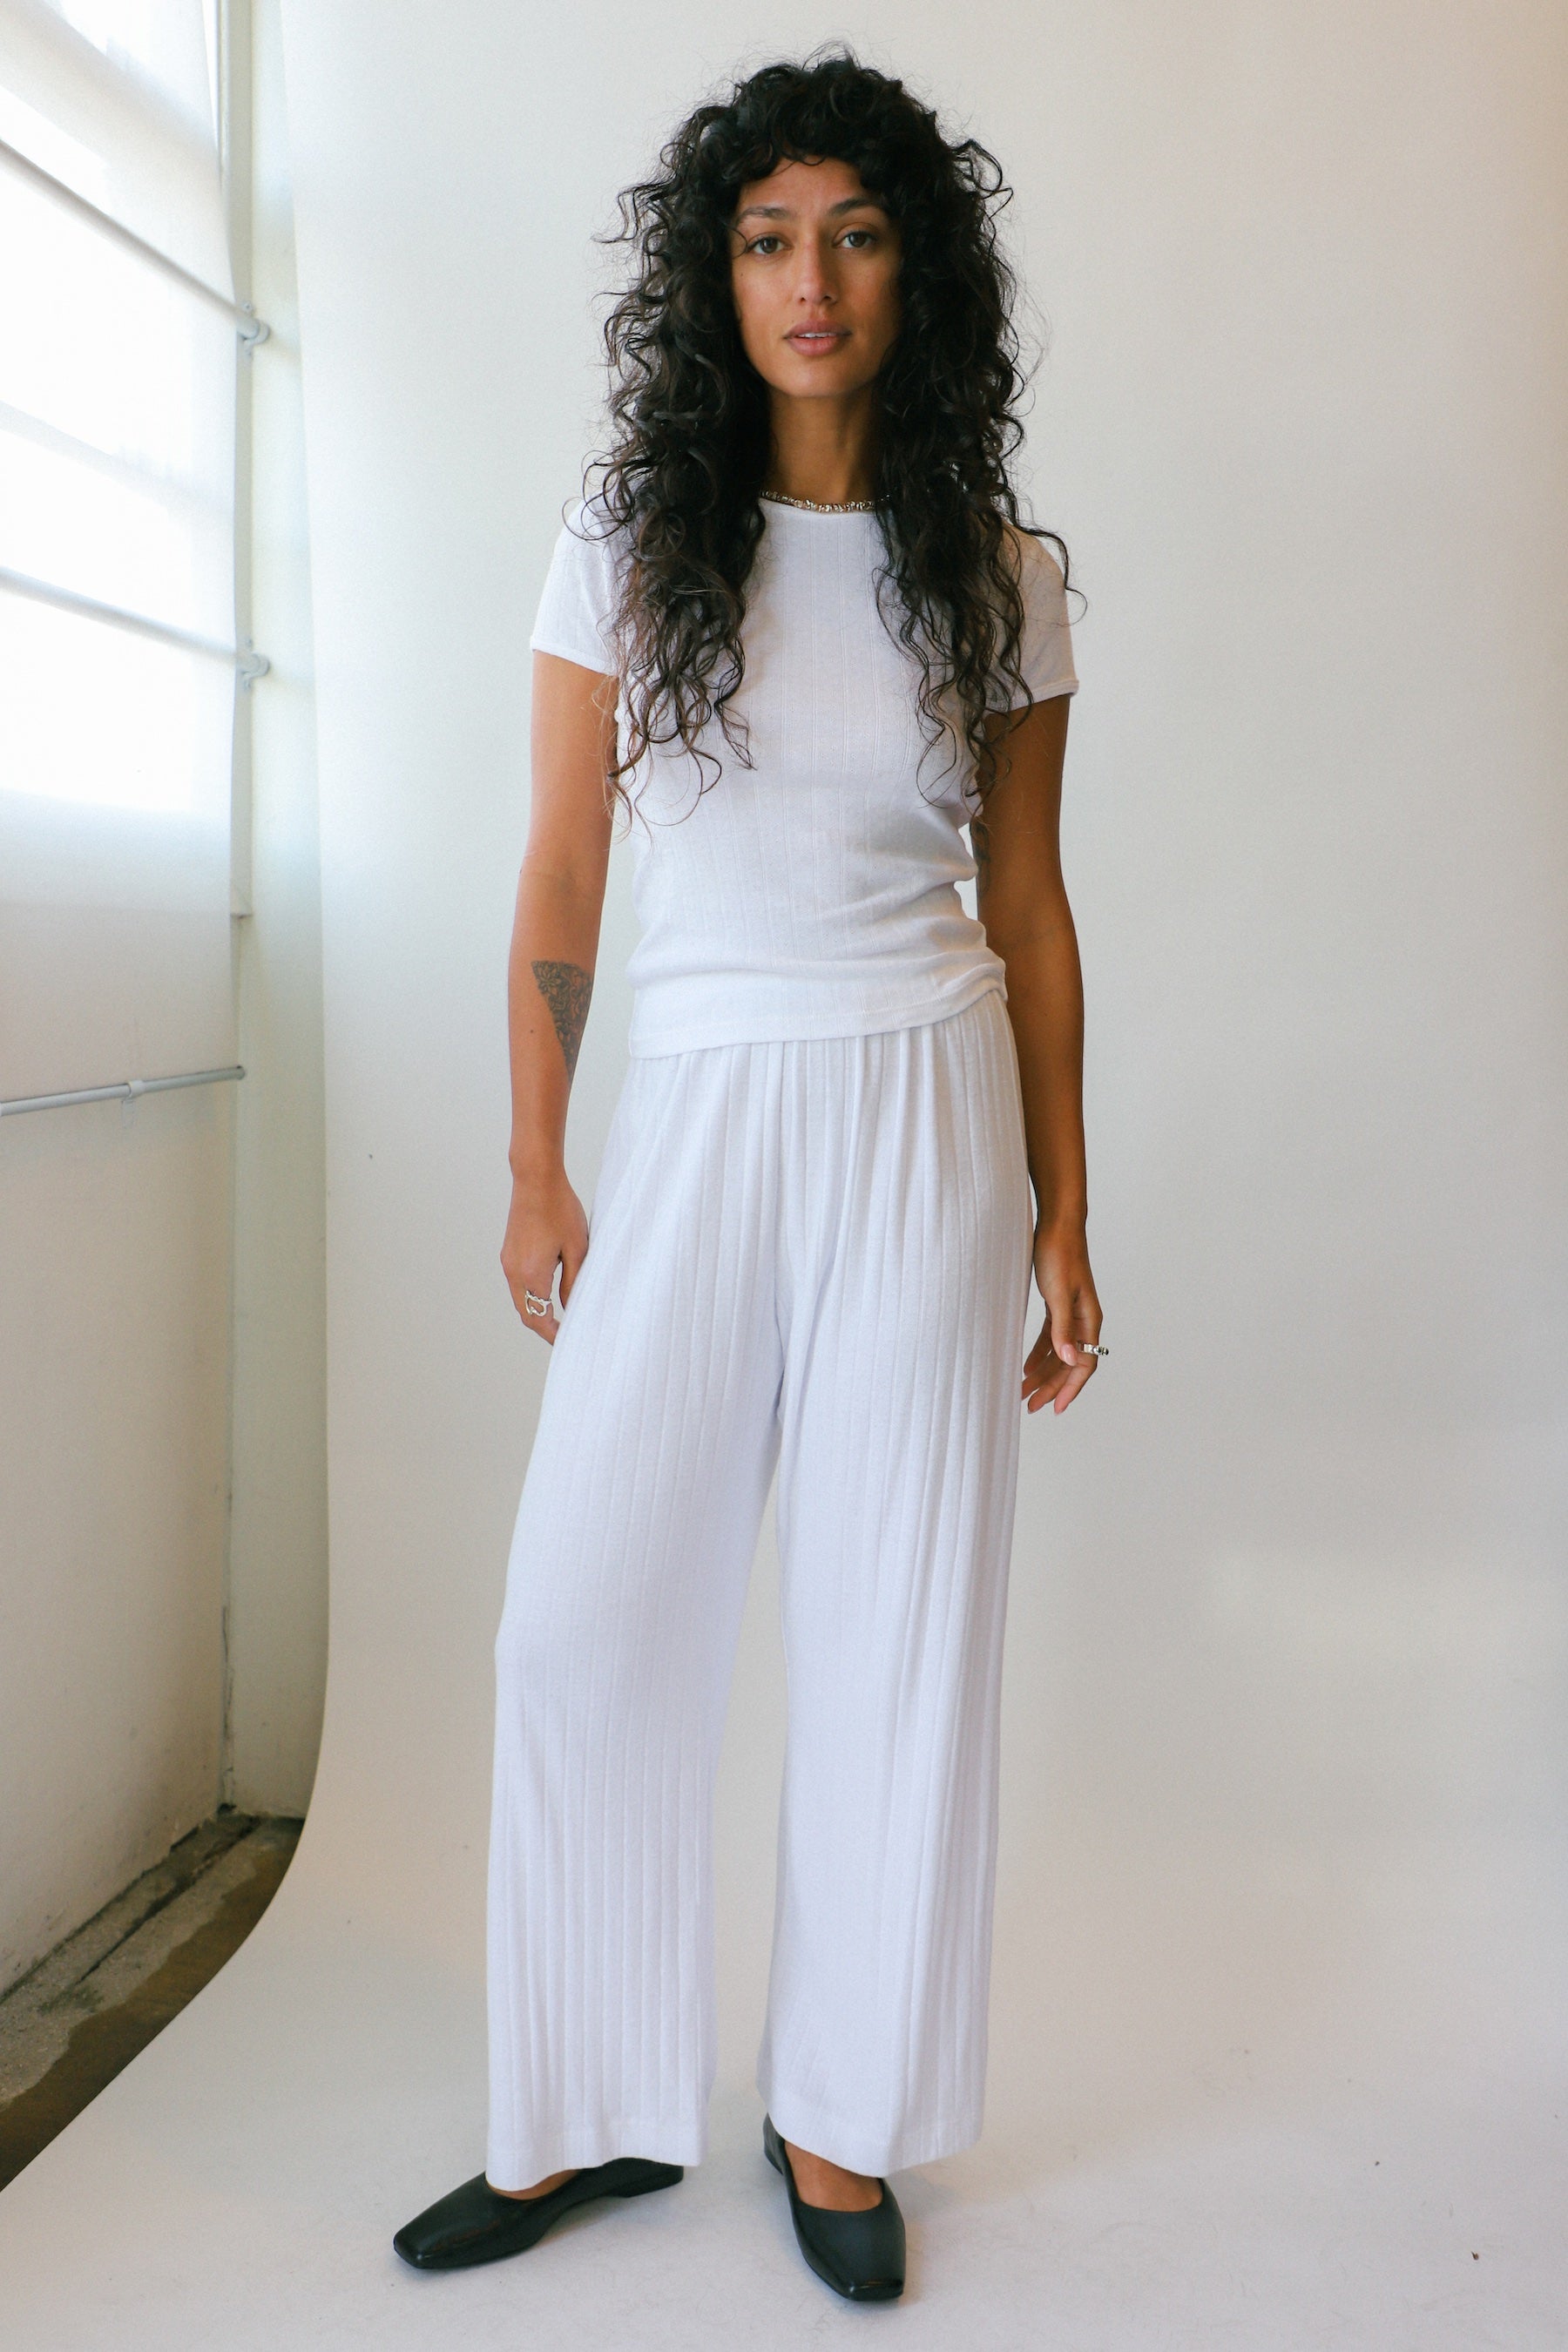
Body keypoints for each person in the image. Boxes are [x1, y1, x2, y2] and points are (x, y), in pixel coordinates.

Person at [393, 48, 1102, 2304]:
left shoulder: (1000, 576)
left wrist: (1068, 1209)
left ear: (920, 274)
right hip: (696, 1108)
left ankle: (837, 2117)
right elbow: (560, 871)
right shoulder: (628, 550)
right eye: (773, 237)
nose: (815, 280)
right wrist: (537, 1155)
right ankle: (584, 2111)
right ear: (718, 278)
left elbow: (1032, 907)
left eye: (860, 234)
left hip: (927, 1113)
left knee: (899, 1633)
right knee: (579, 1618)